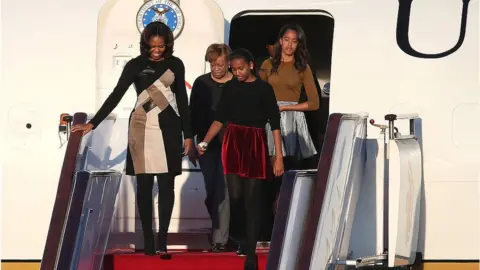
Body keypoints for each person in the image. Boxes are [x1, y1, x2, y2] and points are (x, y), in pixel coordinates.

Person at [71, 21, 195, 259]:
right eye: (152, 47)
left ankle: (162, 242)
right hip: (141, 127)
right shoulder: (136, 65)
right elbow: (116, 94)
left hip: (169, 127)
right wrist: (93, 123)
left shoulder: (176, 65)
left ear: (167, 44)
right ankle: (147, 239)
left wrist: (188, 135)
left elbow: (183, 100)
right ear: (145, 45)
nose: (156, 51)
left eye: (160, 46)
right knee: (145, 185)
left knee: (167, 185)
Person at [197, 48, 284, 270]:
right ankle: (242, 237)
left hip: (255, 142)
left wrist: (278, 157)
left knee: (251, 198)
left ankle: (251, 253)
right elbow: (219, 118)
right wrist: (205, 142)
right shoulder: (230, 87)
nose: (237, 73)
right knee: (235, 197)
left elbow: (274, 123)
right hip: (233, 141)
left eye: (241, 68)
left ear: (251, 65)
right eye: (234, 69)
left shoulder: (264, 89)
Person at [259, 23, 320, 212]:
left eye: (294, 41)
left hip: (293, 121)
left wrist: (285, 107)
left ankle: (283, 224)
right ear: (280, 41)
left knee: (287, 175)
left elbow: (314, 103)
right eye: (286, 40)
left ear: (298, 44)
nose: (289, 45)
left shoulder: (303, 67)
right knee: (271, 175)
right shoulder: (268, 65)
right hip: (270, 119)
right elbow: (258, 94)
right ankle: (269, 226)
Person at [189, 43, 233, 252]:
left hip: (230, 142)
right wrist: (190, 141)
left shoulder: (236, 83)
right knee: (211, 189)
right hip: (205, 144)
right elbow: (192, 113)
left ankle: (220, 239)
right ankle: (218, 227)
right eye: (213, 64)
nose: (216, 68)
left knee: (224, 188)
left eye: (220, 64)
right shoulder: (201, 83)